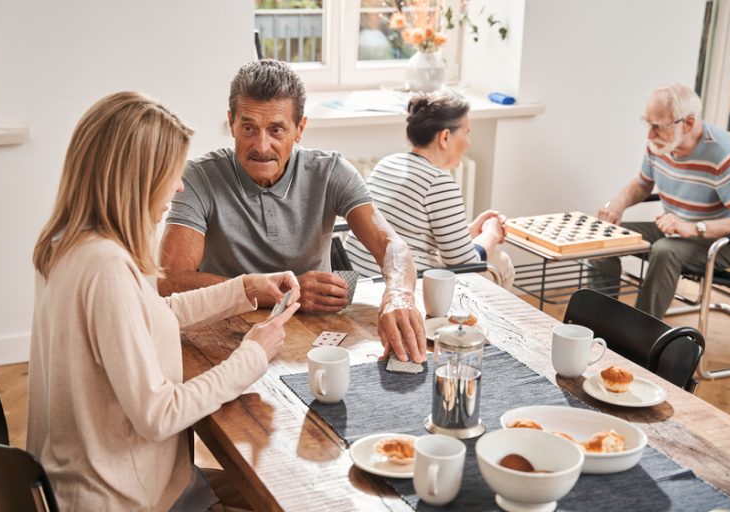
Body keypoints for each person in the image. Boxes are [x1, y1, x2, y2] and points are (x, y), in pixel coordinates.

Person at [28, 91, 301, 511]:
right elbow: (158, 415)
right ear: (133, 179)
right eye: (170, 174)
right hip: (126, 497)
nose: (178, 186)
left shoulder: (69, 245)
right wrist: (252, 355)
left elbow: (152, 315)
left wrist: (243, 288)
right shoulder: (106, 268)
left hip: (94, 483)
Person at [159, 59, 426, 363]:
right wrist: (282, 291)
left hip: (319, 345)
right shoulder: (198, 177)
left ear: (299, 129)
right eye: (248, 128)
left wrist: (399, 294)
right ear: (231, 122)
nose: (261, 146)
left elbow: (391, 245)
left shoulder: (331, 171)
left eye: (276, 130)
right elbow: (170, 281)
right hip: (226, 341)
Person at [592, 83, 730, 318]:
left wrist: (693, 228)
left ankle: (638, 335)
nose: (650, 134)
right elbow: (642, 184)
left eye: (658, 126)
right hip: (675, 232)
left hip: (722, 241)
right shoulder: (660, 143)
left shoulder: (721, 153)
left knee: (664, 251)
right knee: (604, 236)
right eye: (648, 123)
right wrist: (617, 204)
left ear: (688, 123)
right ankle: (601, 320)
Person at [344, 91, 515, 289]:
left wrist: (470, 230)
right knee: (501, 262)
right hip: (397, 288)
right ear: (445, 137)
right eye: (466, 133)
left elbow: (412, 233)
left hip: (356, 284)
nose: (468, 143)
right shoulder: (438, 182)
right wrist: (492, 233)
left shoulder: (387, 164)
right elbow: (467, 265)